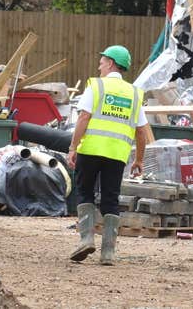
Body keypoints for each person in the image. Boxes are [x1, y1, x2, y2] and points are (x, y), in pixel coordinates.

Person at [67, 45, 147, 265]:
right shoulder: (134, 93)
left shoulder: (97, 86)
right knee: (111, 198)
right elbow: (141, 131)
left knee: (84, 193)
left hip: (91, 150)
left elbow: (84, 117)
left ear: (111, 63)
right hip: (117, 154)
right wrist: (139, 159)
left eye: (101, 61)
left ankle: (86, 239)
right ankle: (108, 253)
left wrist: (73, 147)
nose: (99, 65)